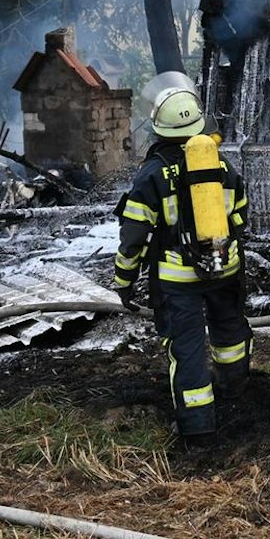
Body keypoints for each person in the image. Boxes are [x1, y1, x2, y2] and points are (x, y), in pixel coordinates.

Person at [111, 71, 251, 448]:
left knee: (187, 347)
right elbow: (239, 216)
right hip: (225, 268)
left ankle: (198, 427)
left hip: (180, 279)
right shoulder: (221, 167)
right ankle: (236, 393)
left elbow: (134, 238)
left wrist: (123, 282)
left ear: (159, 130)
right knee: (230, 333)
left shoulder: (153, 175)